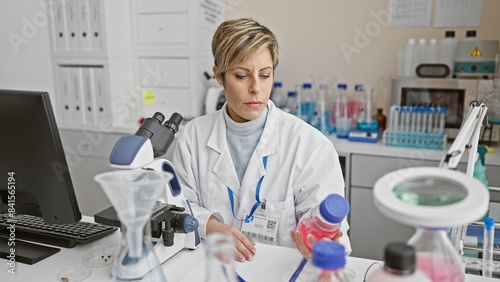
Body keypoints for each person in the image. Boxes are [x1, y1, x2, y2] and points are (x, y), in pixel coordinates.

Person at [172, 18, 350, 262]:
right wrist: (209, 226)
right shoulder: (193, 137)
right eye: (242, 75)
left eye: (265, 75)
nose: (256, 88)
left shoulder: (310, 145)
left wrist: (321, 246)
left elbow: (327, 224)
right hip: (210, 268)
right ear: (219, 76)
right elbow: (178, 208)